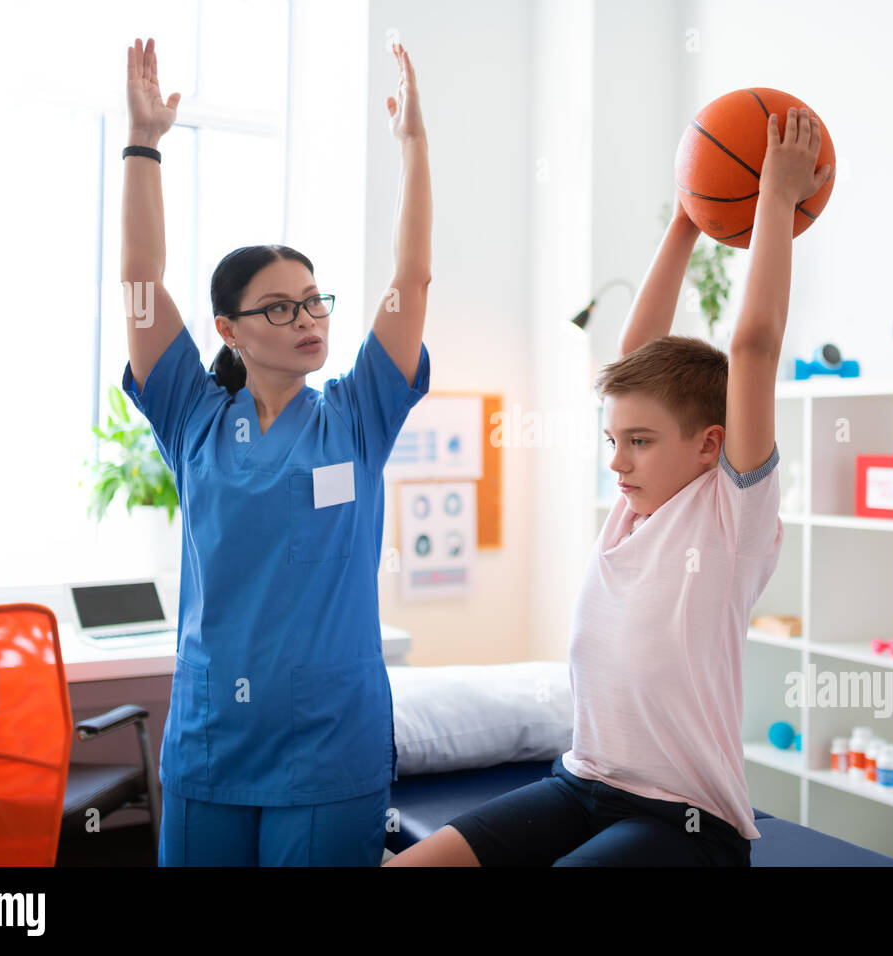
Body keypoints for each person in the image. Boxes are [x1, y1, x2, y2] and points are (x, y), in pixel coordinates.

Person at [385, 107, 833, 866]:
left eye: (640, 443)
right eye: (613, 441)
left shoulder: (730, 516)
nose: (617, 462)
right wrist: (687, 221)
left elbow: (754, 347)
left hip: (684, 822)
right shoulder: (632, 513)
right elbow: (635, 354)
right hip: (581, 782)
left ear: (711, 447)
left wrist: (775, 202)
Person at [120, 36, 432, 865]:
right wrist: (143, 143)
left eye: (314, 301)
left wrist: (414, 149)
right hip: (213, 738)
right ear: (228, 330)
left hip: (332, 745)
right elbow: (140, 281)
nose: (310, 321)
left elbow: (414, 278)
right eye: (281, 309)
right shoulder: (191, 411)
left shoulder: (361, 412)